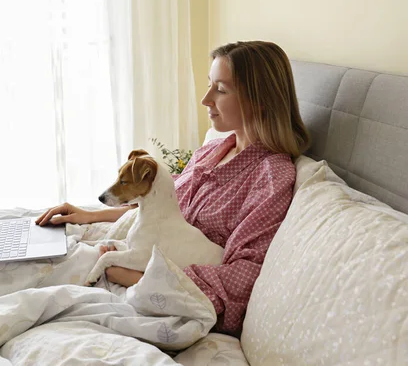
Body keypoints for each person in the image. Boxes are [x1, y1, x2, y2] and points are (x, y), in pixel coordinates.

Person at [35, 41, 311, 337]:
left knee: (39, 296)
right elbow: (161, 213)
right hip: (134, 257)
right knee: (35, 257)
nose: (206, 99)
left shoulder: (271, 178)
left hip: (153, 282)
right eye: (209, 85)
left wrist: (136, 278)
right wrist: (89, 216)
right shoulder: (212, 151)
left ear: (260, 100)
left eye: (221, 89)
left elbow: (244, 273)